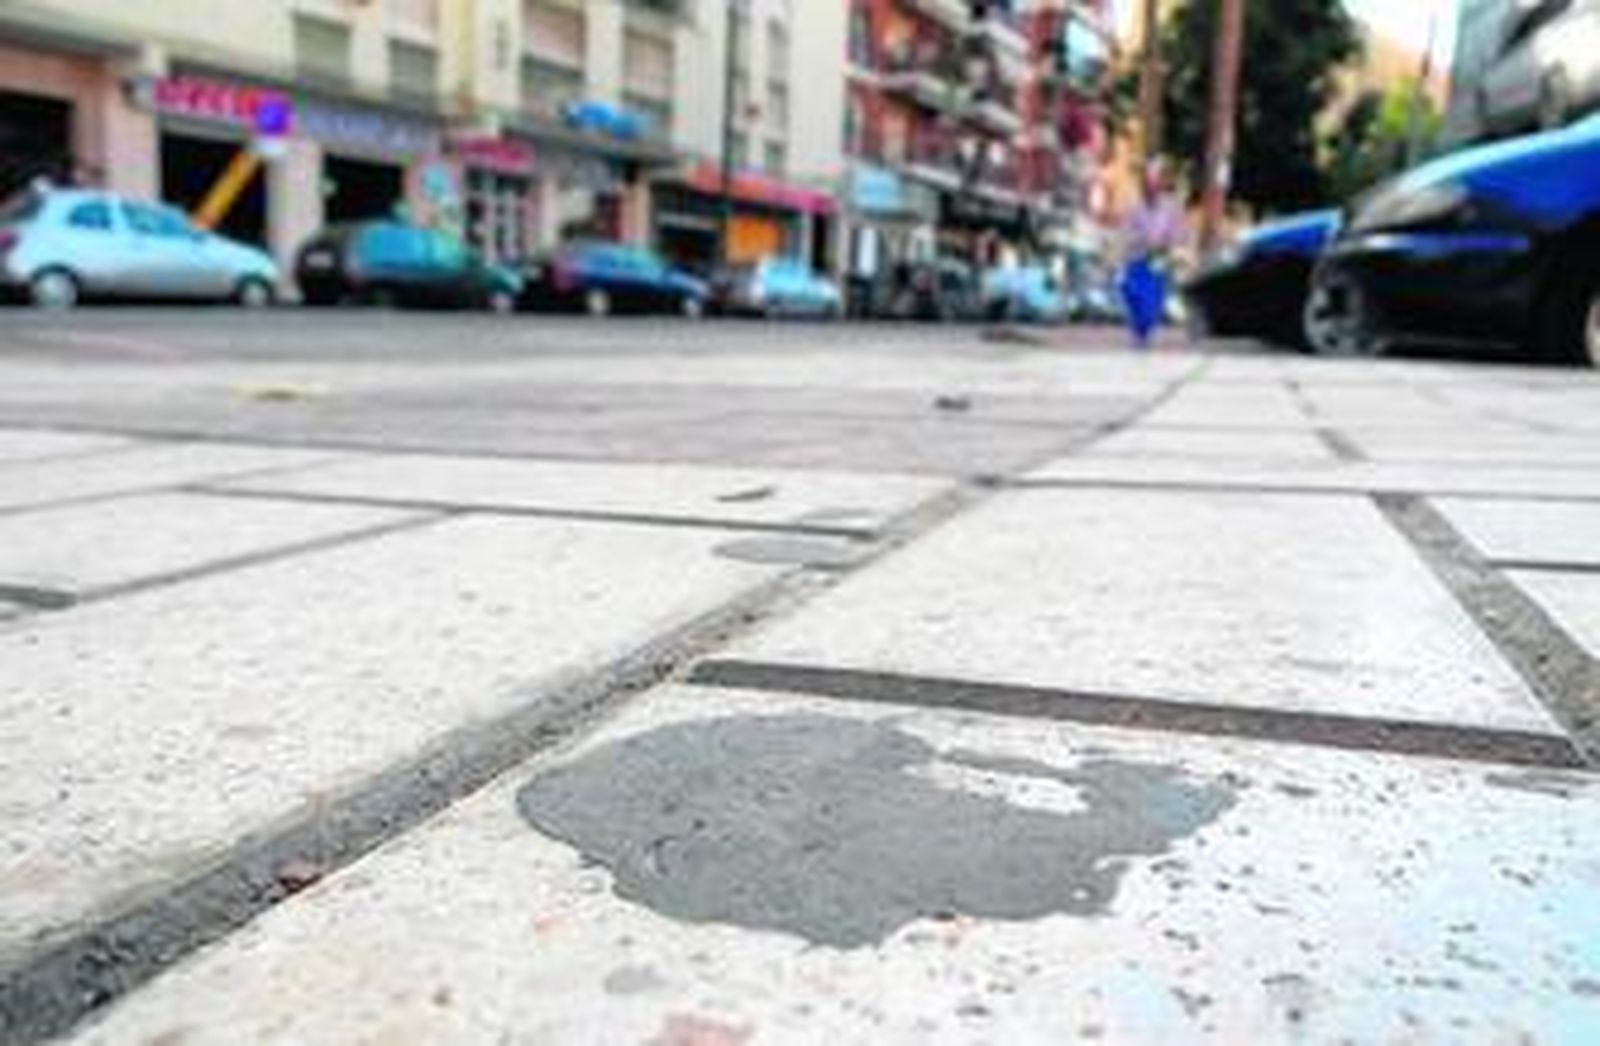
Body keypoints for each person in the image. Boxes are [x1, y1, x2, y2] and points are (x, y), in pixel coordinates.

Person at [1119, 159, 1186, 349]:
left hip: (1158, 261)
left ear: (1161, 185)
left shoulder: (1171, 208)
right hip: (1137, 259)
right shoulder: (1134, 208)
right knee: (1134, 295)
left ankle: (1145, 332)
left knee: (1152, 300)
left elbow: (1177, 233)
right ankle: (1138, 330)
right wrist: (1140, 241)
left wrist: (1169, 246)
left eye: (1155, 182)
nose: (1151, 187)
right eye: (1147, 183)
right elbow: (1126, 233)